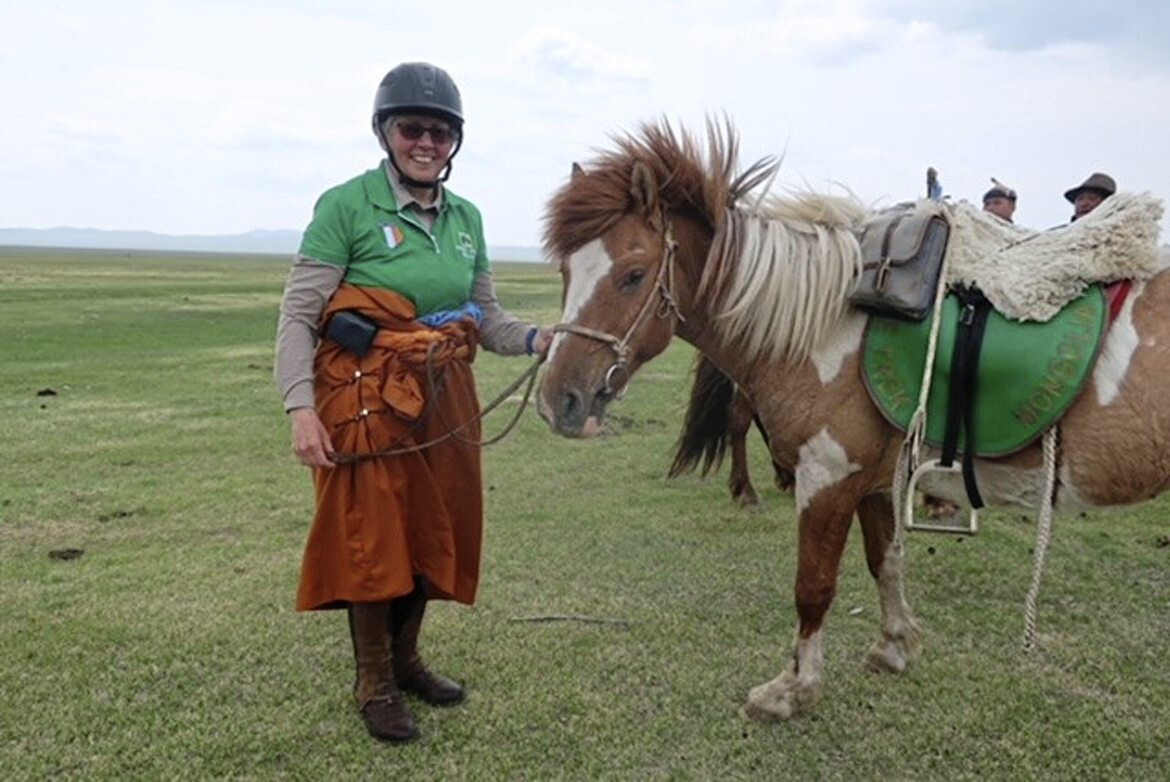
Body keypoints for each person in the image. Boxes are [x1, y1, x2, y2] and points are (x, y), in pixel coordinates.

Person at [274, 61, 552, 744]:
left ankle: (406, 660)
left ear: (454, 141)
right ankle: (373, 682)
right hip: (364, 391)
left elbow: (487, 319)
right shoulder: (346, 205)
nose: (426, 141)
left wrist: (544, 339)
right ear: (385, 132)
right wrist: (299, 408)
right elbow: (299, 313)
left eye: (440, 131)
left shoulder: (468, 218)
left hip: (445, 388)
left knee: (436, 525)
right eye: (412, 128)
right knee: (373, 533)